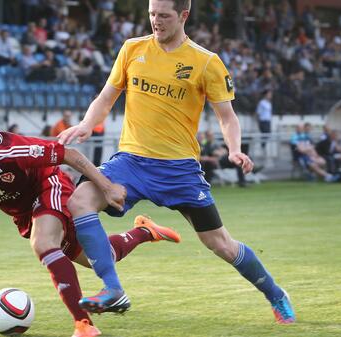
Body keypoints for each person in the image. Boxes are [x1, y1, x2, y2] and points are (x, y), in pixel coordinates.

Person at [58, 0, 296, 324]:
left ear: (183, 16)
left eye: (164, 16)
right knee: (79, 201)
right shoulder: (131, 49)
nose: (156, 21)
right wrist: (87, 124)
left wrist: (234, 148)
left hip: (179, 169)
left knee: (220, 244)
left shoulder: (206, 62)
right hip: (131, 161)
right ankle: (112, 289)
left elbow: (227, 116)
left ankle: (276, 294)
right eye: (152, 14)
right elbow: (106, 96)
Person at [0, 132, 180, 337]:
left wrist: (106, 187)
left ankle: (84, 326)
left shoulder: (11, 152)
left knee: (43, 243)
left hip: (49, 183)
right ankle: (144, 231)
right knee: (100, 257)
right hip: (23, 211)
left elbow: (70, 154)